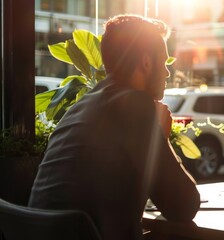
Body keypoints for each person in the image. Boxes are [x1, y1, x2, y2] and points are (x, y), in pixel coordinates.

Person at [29, 14, 200, 240]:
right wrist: (162, 134)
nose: (168, 72)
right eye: (163, 61)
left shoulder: (80, 107)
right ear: (146, 62)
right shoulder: (134, 104)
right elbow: (183, 206)